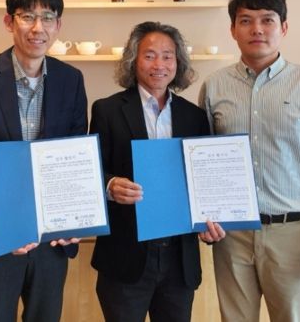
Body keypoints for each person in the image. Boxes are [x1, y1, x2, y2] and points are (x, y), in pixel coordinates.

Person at [199, 0, 300, 322]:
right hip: (232, 236)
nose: (257, 29)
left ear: (283, 27)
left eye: (267, 20)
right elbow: (203, 164)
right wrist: (203, 218)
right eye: (246, 21)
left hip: (293, 234)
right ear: (232, 29)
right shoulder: (214, 86)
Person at [0, 0, 88, 322]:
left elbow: (75, 156)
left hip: (51, 237)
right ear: (9, 22)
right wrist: (9, 213)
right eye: (27, 16)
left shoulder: (71, 79)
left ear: (58, 25)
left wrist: (74, 214)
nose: (38, 27)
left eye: (47, 17)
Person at [89, 21, 225, 322]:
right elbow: (91, 172)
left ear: (178, 62)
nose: (159, 64)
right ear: (133, 60)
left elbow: (205, 182)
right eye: (149, 55)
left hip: (179, 260)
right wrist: (110, 185)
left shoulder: (195, 116)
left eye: (167, 56)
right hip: (125, 256)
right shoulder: (106, 110)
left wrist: (211, 223)